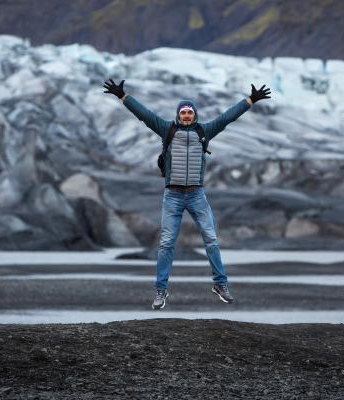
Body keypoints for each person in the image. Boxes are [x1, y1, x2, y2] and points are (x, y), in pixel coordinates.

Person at [103, 78, 271, 310]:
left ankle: (220, 285)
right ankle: (161, 290)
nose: (186, 115)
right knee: (165, 244)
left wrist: (250, 100)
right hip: (172, 196)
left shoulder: (205, 131)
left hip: (196, 195)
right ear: (178, 115)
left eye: (190, 112)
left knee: (211, 240)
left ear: (195, 115)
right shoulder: (167, 130)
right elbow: (144, 114)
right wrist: (123, 96)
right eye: (183, 112)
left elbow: (227, 117)